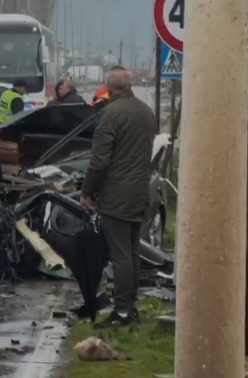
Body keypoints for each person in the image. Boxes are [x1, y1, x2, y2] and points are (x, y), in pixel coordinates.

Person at [79, 66, 157, 329]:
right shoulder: (146, 111)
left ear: (108, 87)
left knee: (120, 254)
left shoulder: (110, 115)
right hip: (140, 191)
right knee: (132, 252)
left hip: (117, 194)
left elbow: (100, 161)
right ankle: (130, 308)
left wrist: (87, 191)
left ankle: (122, 312)